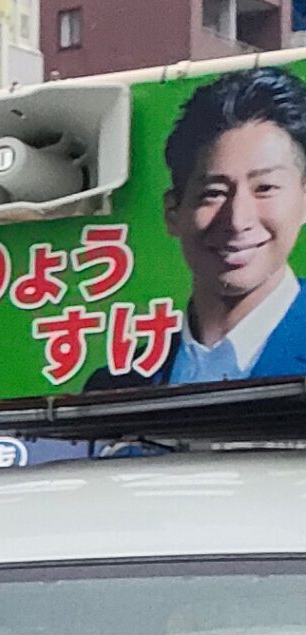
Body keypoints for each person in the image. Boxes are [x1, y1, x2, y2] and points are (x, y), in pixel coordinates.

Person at [90, 67, 306, 393]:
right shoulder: (117, 384)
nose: (237, 220)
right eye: (214, 193)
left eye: (265, 188)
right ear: (173, 211)